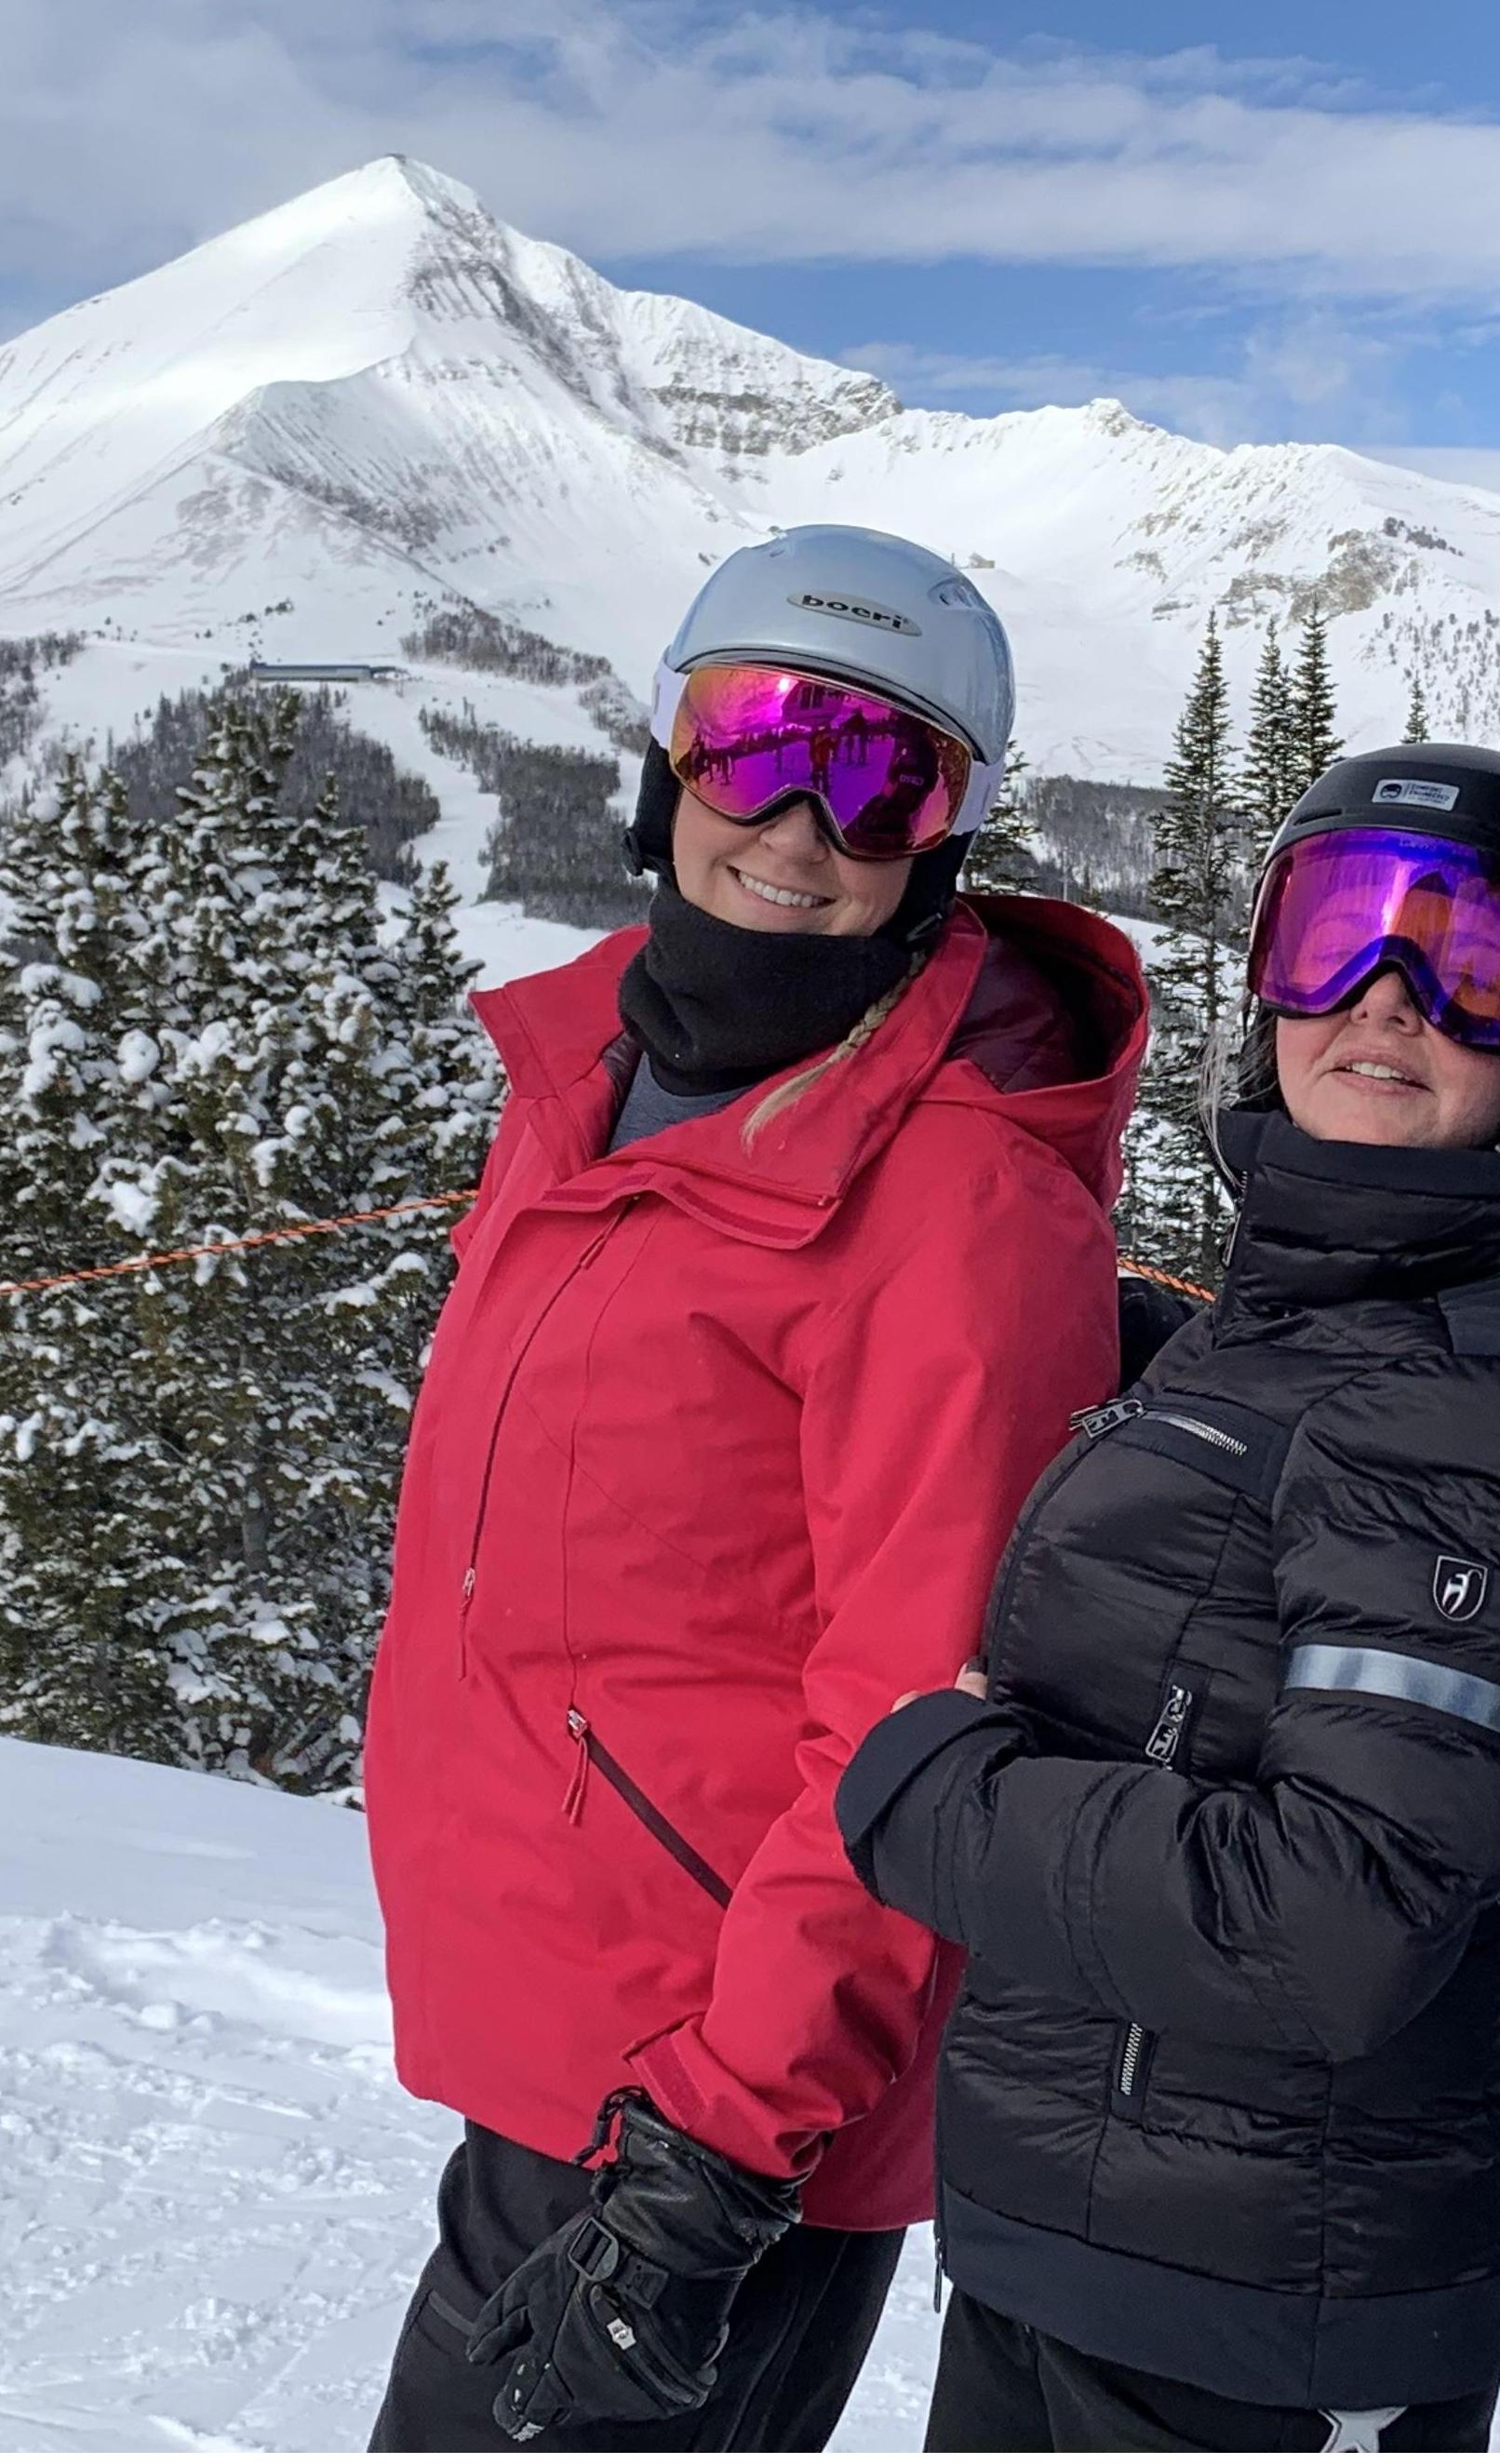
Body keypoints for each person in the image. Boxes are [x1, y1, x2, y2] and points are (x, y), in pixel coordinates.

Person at [363, 525, 1146, 2451]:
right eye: (757, 741)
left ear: (941, 839)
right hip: (568, 2031)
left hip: (713, 2103)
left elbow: (921, 1712)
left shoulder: (958, 1205)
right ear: (663, 753)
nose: (801, 822)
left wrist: (719, 2147)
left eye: (884, 777)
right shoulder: (594, 1084)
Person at [835, 745, 1500, 2456]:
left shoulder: (1477, 1402)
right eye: (1335, 937)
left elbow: (1328, 1922)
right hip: (1105, 2249)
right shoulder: (1310, 1308)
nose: (1384, 1000)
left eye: (1475, 967)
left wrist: (933, 1797)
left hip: (1257, 2325)